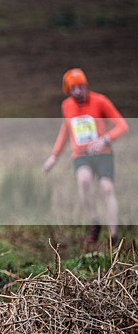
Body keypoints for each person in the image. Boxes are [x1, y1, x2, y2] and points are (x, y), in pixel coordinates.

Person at [43, 68, 128, 246]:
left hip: (103, 153)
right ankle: (95, 222)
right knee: (84, 180)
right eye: (74, 88)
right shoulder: (66, 106)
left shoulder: (100, 101)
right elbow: (66, 131)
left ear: (86, 86)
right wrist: (54, 157)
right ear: (69, 90)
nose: (79, 91)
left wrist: (105, 139)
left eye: (81, 87)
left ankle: (113, 235)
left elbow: (122, 126)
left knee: (106, 189)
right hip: (81, 155)